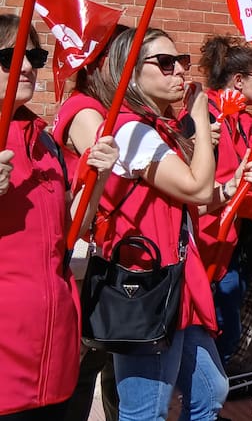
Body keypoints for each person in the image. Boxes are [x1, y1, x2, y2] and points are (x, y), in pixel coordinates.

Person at [92, 27, 252, 420]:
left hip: (177, 282)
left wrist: (232, 184)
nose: (179, 72)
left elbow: (194, 203)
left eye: (181, 62)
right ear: (130, 73)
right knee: (147, 410)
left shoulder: (157, 130)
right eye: (165, 63)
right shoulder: (132, 130)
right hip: (148, 289)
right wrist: (201, 119)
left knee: (210, 390)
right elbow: (197, 188)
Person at [0, 16, 118, 419]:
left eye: (33, 54)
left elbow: (70, 232)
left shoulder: (45, 141)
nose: (28, 66)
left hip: (54, 346)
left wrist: (97, 180)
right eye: (10, 56)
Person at [55, 26, 128, 421]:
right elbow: (115, 173)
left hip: (100, 249)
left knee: (107, 358)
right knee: (89, 361)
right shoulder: (85, 110)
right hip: (88, 252)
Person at [196, 35, 252, 364]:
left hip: (233, 240)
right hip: (208, 238)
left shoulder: (242, 118)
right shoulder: (205, 116)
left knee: (229, 332)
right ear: (239, 80)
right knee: (218, 332)